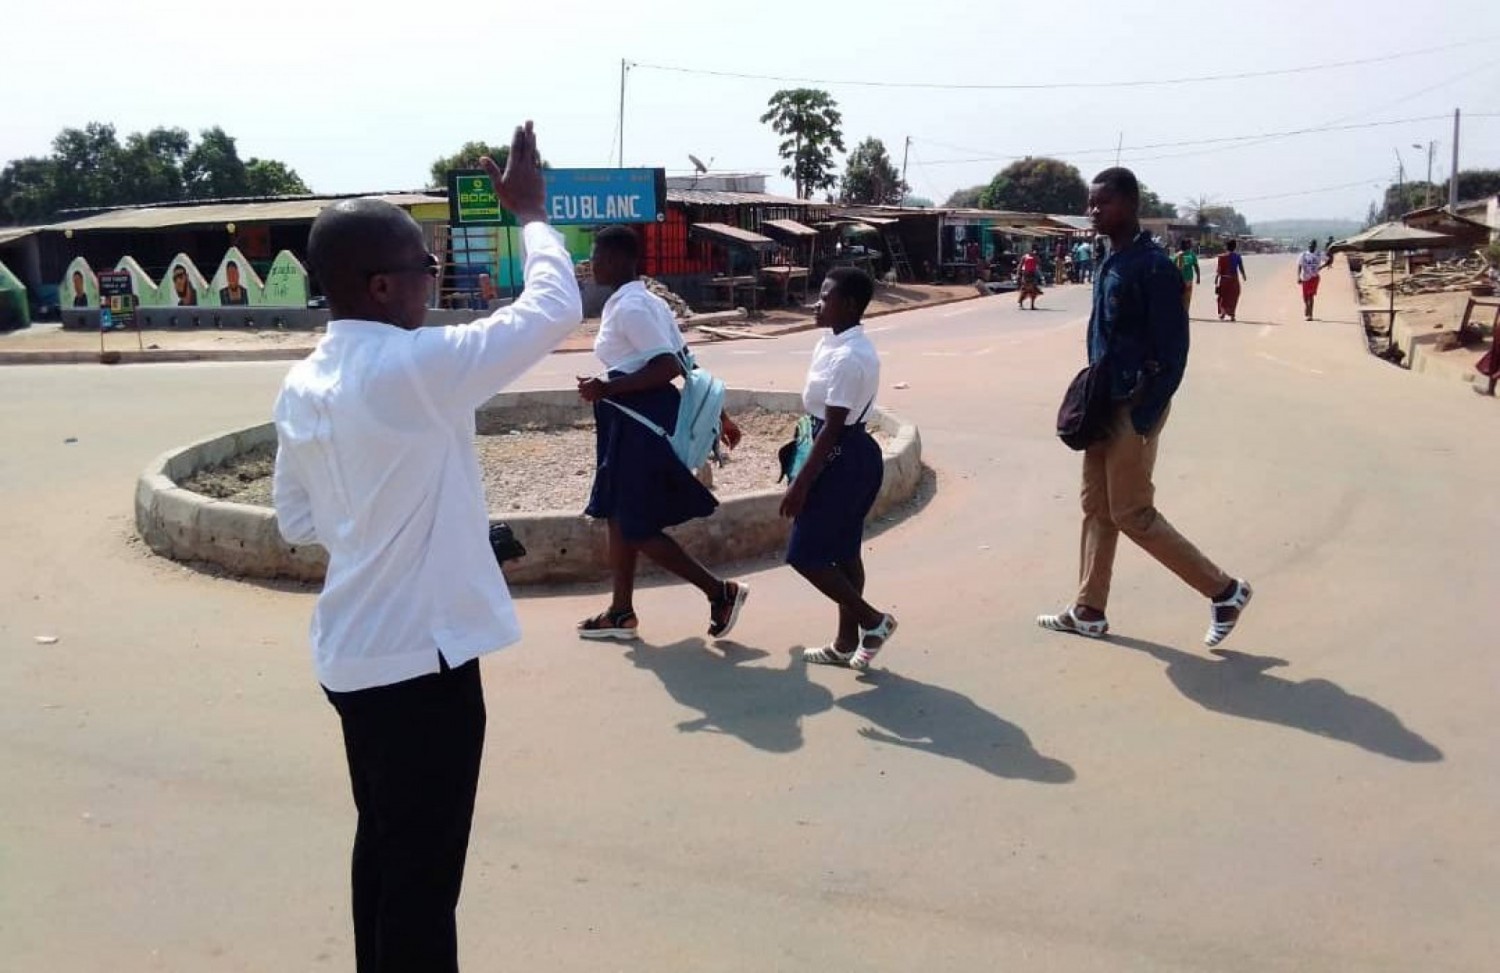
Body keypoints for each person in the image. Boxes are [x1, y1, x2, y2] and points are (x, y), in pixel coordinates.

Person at [271, 122, 582, 973]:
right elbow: (554, 307)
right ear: (380, 285)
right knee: (423, 882)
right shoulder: (412, 367)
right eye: (423, 265)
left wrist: (396, 521)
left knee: (384, 850)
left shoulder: (305, 381)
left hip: (351, 657)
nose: (432, 278)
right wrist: (532, 215)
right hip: (421, 670)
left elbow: (299, 521)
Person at [1037, 167, 1252, 647]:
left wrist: (1144, 414)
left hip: (1132, 407)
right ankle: (1088, 608)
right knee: (1096, 506)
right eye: (1091, 203)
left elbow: (1175, 351)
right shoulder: (1110, 260)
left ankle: (1224, 590)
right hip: (1103, 401)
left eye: (1104, 203)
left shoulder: (1153, 267)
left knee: (1131, 511)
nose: (1094, 211)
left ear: (1131, 205)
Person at [575, 225, 749, 643]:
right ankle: (621, 612)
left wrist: (605, 388)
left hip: (639, 421)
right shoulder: (644, 301)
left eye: (596, 257)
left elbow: (669, 366)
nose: (591, 264)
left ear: (618, 260)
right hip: (630, 418)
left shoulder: (632, 308)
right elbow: (687, 361)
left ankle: (720, 592)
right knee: (618, 515)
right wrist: (719, 416)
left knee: (634, 523)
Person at [784, 267, 897, 670]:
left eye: (826, 296)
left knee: (804, 555)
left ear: (848, 305)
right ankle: (845, 643)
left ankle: (872, 620)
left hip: (842, 458)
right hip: (836, 452)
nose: (818, 302)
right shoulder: (830, 343)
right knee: (845, 552)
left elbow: (832, 429)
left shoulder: (851, 357)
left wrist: (799, 484)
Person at [1215, 238, 1248, 321]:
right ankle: (1232, 315)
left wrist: (1216, 278)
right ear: (1235, 247)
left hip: (1224, 279)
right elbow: (1241, 267)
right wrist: (1243, 275)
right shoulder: (1237, 256)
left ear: (1226, 247)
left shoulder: (1221, 257)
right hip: (1234, 279)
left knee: (1222, 296)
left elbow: (1219, 270)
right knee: (1233, 296)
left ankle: (1223, 313)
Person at [1296, 239, 1323, 321]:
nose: (1311, 246)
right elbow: (1299, 265)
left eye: (1313, 245)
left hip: (1314, 277)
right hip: (1305, 278)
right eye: (1310, 244)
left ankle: (1310, 315)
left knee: (1310, 296)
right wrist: (1298, 276)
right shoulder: (1303, 255)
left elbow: (1329, 259)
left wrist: (1322, 266)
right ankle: (1307, 308)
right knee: (1305, 297)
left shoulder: (1319, 254)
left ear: (1315, 246)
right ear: (1308, 245)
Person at [1174, 239, 1200, 314]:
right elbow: (1196, 266)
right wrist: (1198, 277)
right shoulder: (1191, 254)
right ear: (1188, 245)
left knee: (1180, 296)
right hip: (1188, 279)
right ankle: (1185, 312)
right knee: (1187, 296)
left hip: (1179, 279)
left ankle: (1180, 311)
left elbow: (1172, 267)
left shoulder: (1176, 255)